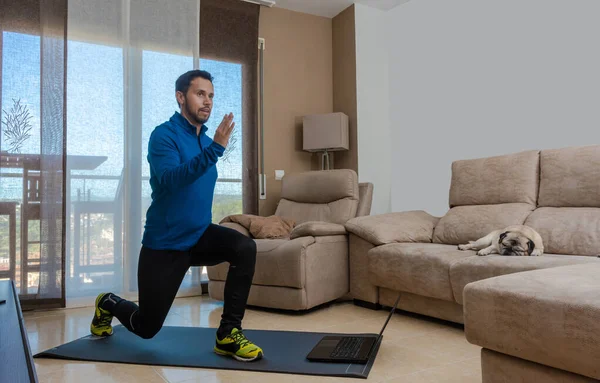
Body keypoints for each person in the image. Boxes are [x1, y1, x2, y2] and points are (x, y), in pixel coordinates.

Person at [89, 69, 263, 362]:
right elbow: (171, 179)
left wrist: (213, 148)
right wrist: (216, 149)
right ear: (181, 97)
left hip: (198, 235)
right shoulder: (163, 136)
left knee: (245, 247)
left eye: (211, 96)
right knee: (146, 327)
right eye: (200, 94)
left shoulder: (207, 142)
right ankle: (108, 302)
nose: (207, 102)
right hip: (165, 244)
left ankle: (228, 334)